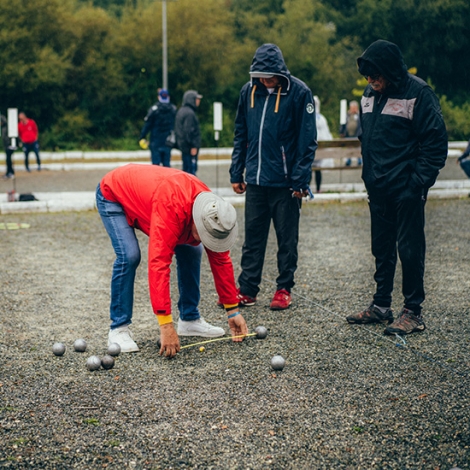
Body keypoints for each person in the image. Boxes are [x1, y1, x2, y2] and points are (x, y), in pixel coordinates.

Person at [346, 39, 448, 335]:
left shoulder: (419, 93)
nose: (370, 81)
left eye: (375, 75)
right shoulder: (369, 93)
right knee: (382, 247)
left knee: (409, 248)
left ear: (389, 70)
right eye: (367, 76)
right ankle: (381, 306)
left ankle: (412, 311)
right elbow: (369, 138)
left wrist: (416, 182)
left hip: (407, 189)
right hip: (377, 187)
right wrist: (370, 177)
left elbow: (435, 144)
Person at [96, 164, 248, 357]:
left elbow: (221, 261)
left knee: (193, 250)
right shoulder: (172, 208)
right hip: (114, 194)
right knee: (130, 256)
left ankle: (189, 319)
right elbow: (159, 263)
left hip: (151, 196)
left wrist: (232, 310)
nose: (205, 239)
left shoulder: (214, 212)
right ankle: (118, 328)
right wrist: (165, 324)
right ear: (196, 220)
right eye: (203, 234)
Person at [230, 43, 317, 310]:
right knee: (252, 238)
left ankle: (283, 288)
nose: (265, 79)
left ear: (280, 71)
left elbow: (307, 140)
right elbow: (240, 134)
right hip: (255, 180)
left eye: (269, 74)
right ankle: (247, 289)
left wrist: (301, 180)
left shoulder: (300, 93)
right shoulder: (248, 91)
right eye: (260, 74)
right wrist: (237, 171)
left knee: (286, 239)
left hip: (286, 183)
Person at [139, 88, 176, 167]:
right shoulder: (173, 109)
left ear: (159, 97)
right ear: (168, 97)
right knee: (167, 166)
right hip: (168, 141)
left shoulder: (154, 110)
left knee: (155, 167)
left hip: (155, 142)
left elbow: (147, 125)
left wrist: (142, 136)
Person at [174, 90, 202, 175]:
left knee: (186, 170)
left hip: (184, 147)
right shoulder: (189, 113)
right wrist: (193, 145)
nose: (198, 101)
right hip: (189, 148)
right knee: (191, 172)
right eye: (196, 99)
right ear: (191, 99)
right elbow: (189, 131)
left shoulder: (181, 111)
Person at [312, 95, 333, 192]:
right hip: (313, 147)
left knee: (317, 170)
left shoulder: (320, 118)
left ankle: (318, 188)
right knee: (310, 169)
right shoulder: (315, 117)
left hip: (318, 148)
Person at [340, 101, 362, 166]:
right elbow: (342, 124)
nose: (353, 109)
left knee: (358, 148)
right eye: (352, 108)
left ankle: (359, 160)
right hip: (348, 135)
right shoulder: (347, 115)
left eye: (354, 108)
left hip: (357, 134)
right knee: (349, 148)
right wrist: (342, 132)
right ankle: (348, 160)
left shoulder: (359, 115)